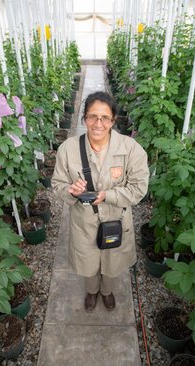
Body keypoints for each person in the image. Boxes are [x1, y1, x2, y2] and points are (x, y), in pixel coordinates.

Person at [52, 91, 149, 312]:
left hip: (116, 220)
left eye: (105, 118)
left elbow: (138, 189)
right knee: (88, 262)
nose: (98, 123)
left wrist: (107, 195)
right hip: (84, 223)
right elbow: (57, 185)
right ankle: (92, 291)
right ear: (84, 118)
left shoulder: (131, 149)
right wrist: (70, 190)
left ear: (114, 120)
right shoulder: (68, 149)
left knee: (112, 261)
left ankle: (107, 292)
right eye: (92, 116)